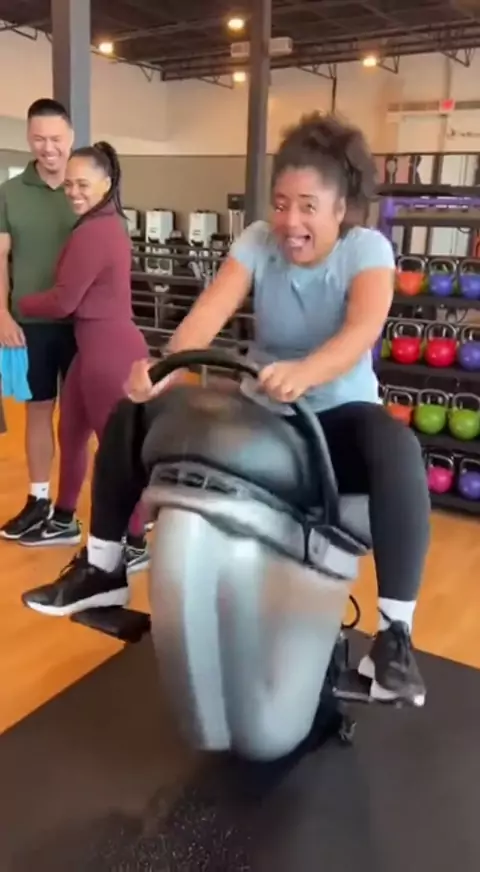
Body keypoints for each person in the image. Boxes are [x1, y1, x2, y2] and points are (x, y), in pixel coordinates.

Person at [22, 112, 430, 707]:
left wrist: (307, 371)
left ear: (341, 209)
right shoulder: (259, 241)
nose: (290, 221)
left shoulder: (367, 249)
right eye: (281, 203)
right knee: (134, 410)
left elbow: (362, 330)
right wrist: (164, 368)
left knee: (396, 444)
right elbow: (208, 313)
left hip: (336, 423)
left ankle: (394, 637)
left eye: (308, 207)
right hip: (262, 418)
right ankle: (105, 570)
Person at [14, 141, 150, 573]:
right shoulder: (100, 224)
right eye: (69, 184)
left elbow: (64, 301)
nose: (73, 191)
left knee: (115, 451)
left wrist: (18, 304)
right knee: (71, 432)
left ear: (106, 184)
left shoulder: (96, 231)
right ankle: (64, 518)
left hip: (109, 352)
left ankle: (135, 540)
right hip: (91, 348)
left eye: (83, 184)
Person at [0, 99, 77, 541]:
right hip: (31, 323)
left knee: (87, 417)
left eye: (56, 139)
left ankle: (83, 508)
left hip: (84, 323)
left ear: (71, 138)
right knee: (38, 410)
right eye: (39, 139)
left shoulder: (86, 186)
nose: (48, 148)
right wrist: (1, 314)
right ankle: (39, 499)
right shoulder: (10, 192)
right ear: (29, 139)